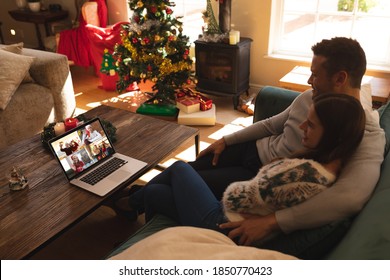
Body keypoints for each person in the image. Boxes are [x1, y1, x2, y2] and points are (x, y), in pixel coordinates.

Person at [119, 93, 366, 248]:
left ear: (333, 135)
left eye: (310, 125)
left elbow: (236, 196)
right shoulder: (319, 167)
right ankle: (144, 226)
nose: (302, 126)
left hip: (223, 223)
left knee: (180, 168)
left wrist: (267, 172)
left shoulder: (305, 175)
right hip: (231, 218)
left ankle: (131, 201)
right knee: (155, 193)